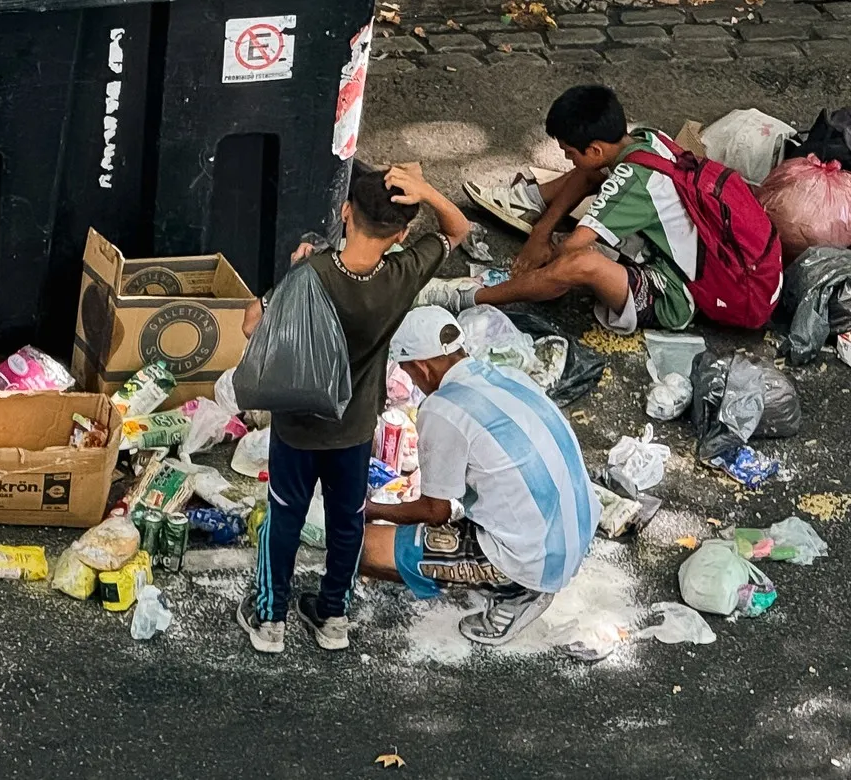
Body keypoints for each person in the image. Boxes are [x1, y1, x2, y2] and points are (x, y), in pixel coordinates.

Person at [236, 162, 472, 655]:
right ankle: (333, 617)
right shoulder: (404, 274)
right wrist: (426, 190)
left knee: (284, 518)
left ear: (346, 212)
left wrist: (293, 275)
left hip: (298, 429)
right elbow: (457, 229)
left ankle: (271, 619)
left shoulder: (312, 273)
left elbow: (251, 324)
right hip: (356, 428)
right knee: (348, 521)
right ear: (401, 234)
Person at [363, 307, 599, 644]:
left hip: (534, 558)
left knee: (359, 548)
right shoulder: (509, 376)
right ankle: (522, 574)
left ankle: (518, 591)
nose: (413, 382)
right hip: (577, 531)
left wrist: (371, 509)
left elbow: (435, 512)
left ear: (422, 367)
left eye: (409, 372)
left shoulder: (442, 408)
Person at [448, 85, 694, 333]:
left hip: (673, 293)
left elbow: (572, 247)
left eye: (569, 152)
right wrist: (541, 232)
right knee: (590, 171)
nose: (568, 159)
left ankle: (471, 296)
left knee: (580, 263)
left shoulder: (633, 181)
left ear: (595, 149)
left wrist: (543, 264)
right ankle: (530, 203)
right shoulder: (647, 138)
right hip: (667, 252)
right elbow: (588, 173)